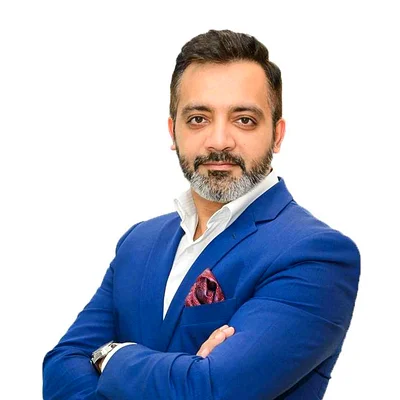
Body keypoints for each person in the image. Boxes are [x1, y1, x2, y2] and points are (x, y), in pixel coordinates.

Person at [43, 29, 360, 399]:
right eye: (198, 118)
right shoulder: (138, 243)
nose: (219, 141)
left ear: (277, 134)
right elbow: (60, 367)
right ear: (173, 131)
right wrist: (186, 373)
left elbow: (210, 389)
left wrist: (111, 354)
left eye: (244, 119)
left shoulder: (316, 254)